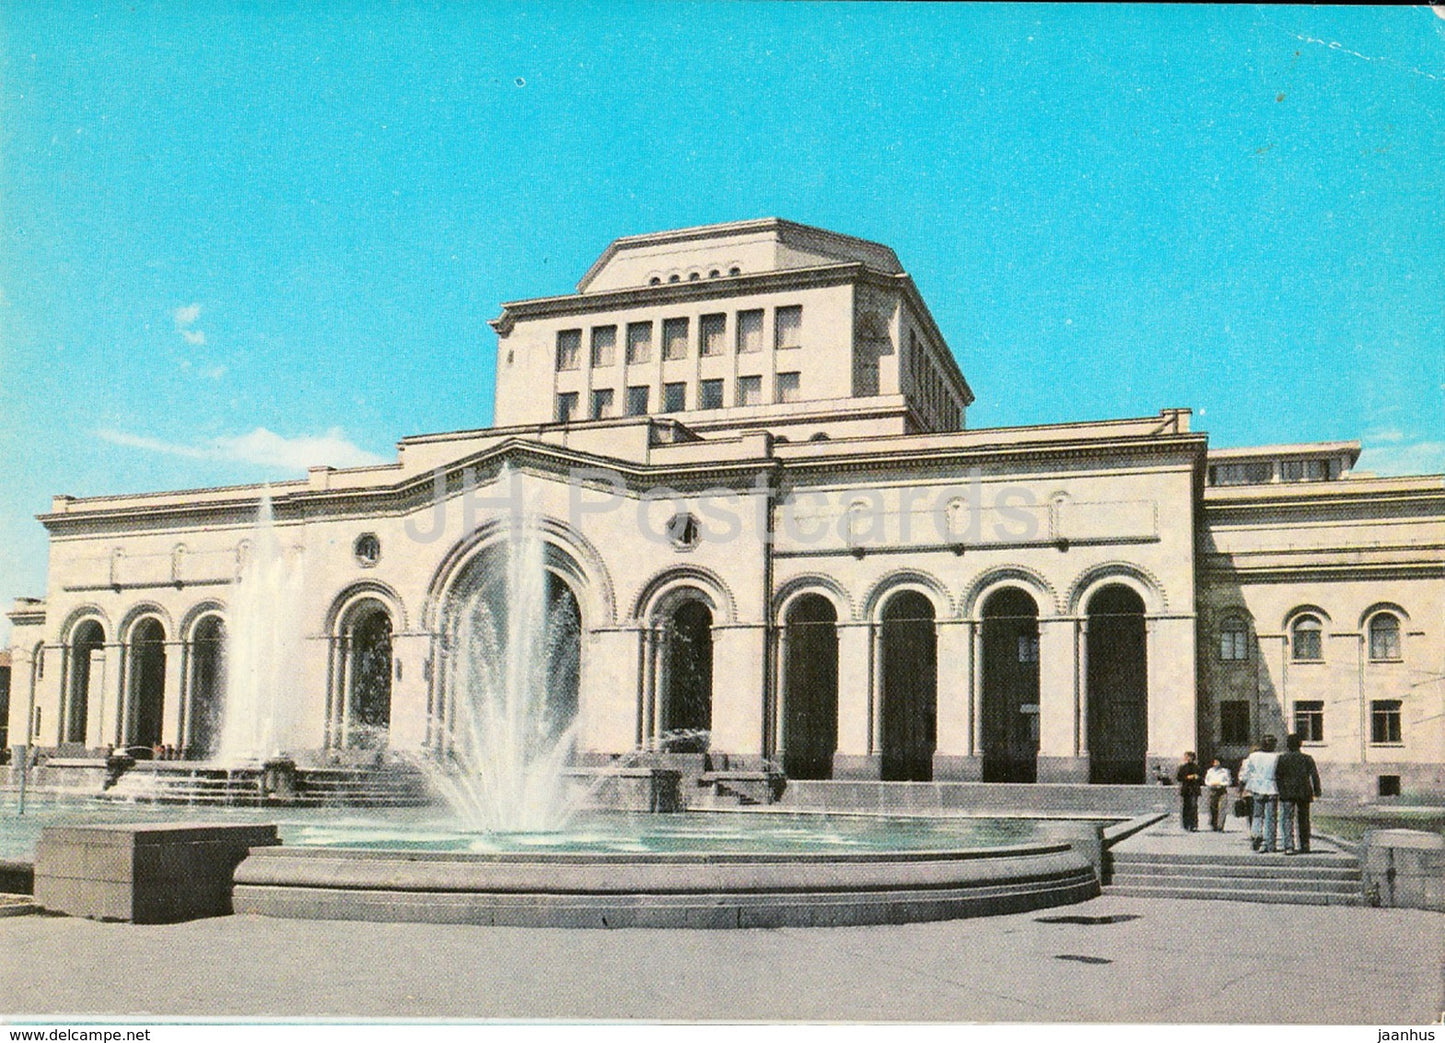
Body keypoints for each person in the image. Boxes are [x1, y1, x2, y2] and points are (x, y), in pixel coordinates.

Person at [1275, 732, 1322, 854]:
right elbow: (1314, 776)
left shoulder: (1282, 758)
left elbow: (1278, 777)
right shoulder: (1307, 758)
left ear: (1287, 745)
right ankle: (1305, 845)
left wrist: (1280, 791)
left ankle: (1289, 846)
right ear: (1300, 744)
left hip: (1287, 793)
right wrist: (1317, 790)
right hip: (1304, 792)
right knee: (1304, 819)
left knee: (1287, 819)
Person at [1239, 734, 1281, 852]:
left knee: (1257, 815)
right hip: (1272, 787)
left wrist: (1243, 785)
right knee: (1271, 817)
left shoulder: (1253, 756)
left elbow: (1246, 773)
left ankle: (1256, 835)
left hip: (1257, 788)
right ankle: (1270, 843)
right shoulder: (1277, 757)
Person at [1175, 751, 1202, 831]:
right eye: (1186, 757)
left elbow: (1201, 778)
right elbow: (1179, 778)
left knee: (1193, 806)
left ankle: (1194, 825)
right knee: (1185, 807)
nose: (1187, 758)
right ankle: (1186, 824)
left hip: (1194, 789)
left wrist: (1197, 777)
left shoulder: (1197, 767)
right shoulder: (1182, 767)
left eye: (1188, 757)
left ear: (1192, 758)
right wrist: (1187, 777)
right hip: (1186, 789)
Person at [1204, 758, 1232, 831]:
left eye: (1217, 762)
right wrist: (1211, 784)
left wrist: (1221, 784)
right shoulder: (1210, 771)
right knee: (1212, 807)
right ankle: (1213, 823)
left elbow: (1229, 781)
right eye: (1214, 762)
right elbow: (1207, 781)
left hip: (1222, 790)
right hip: (1212, 790)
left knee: (1222, 808)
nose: (1216, 763)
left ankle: (1220, 826)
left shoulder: (1225, 771)